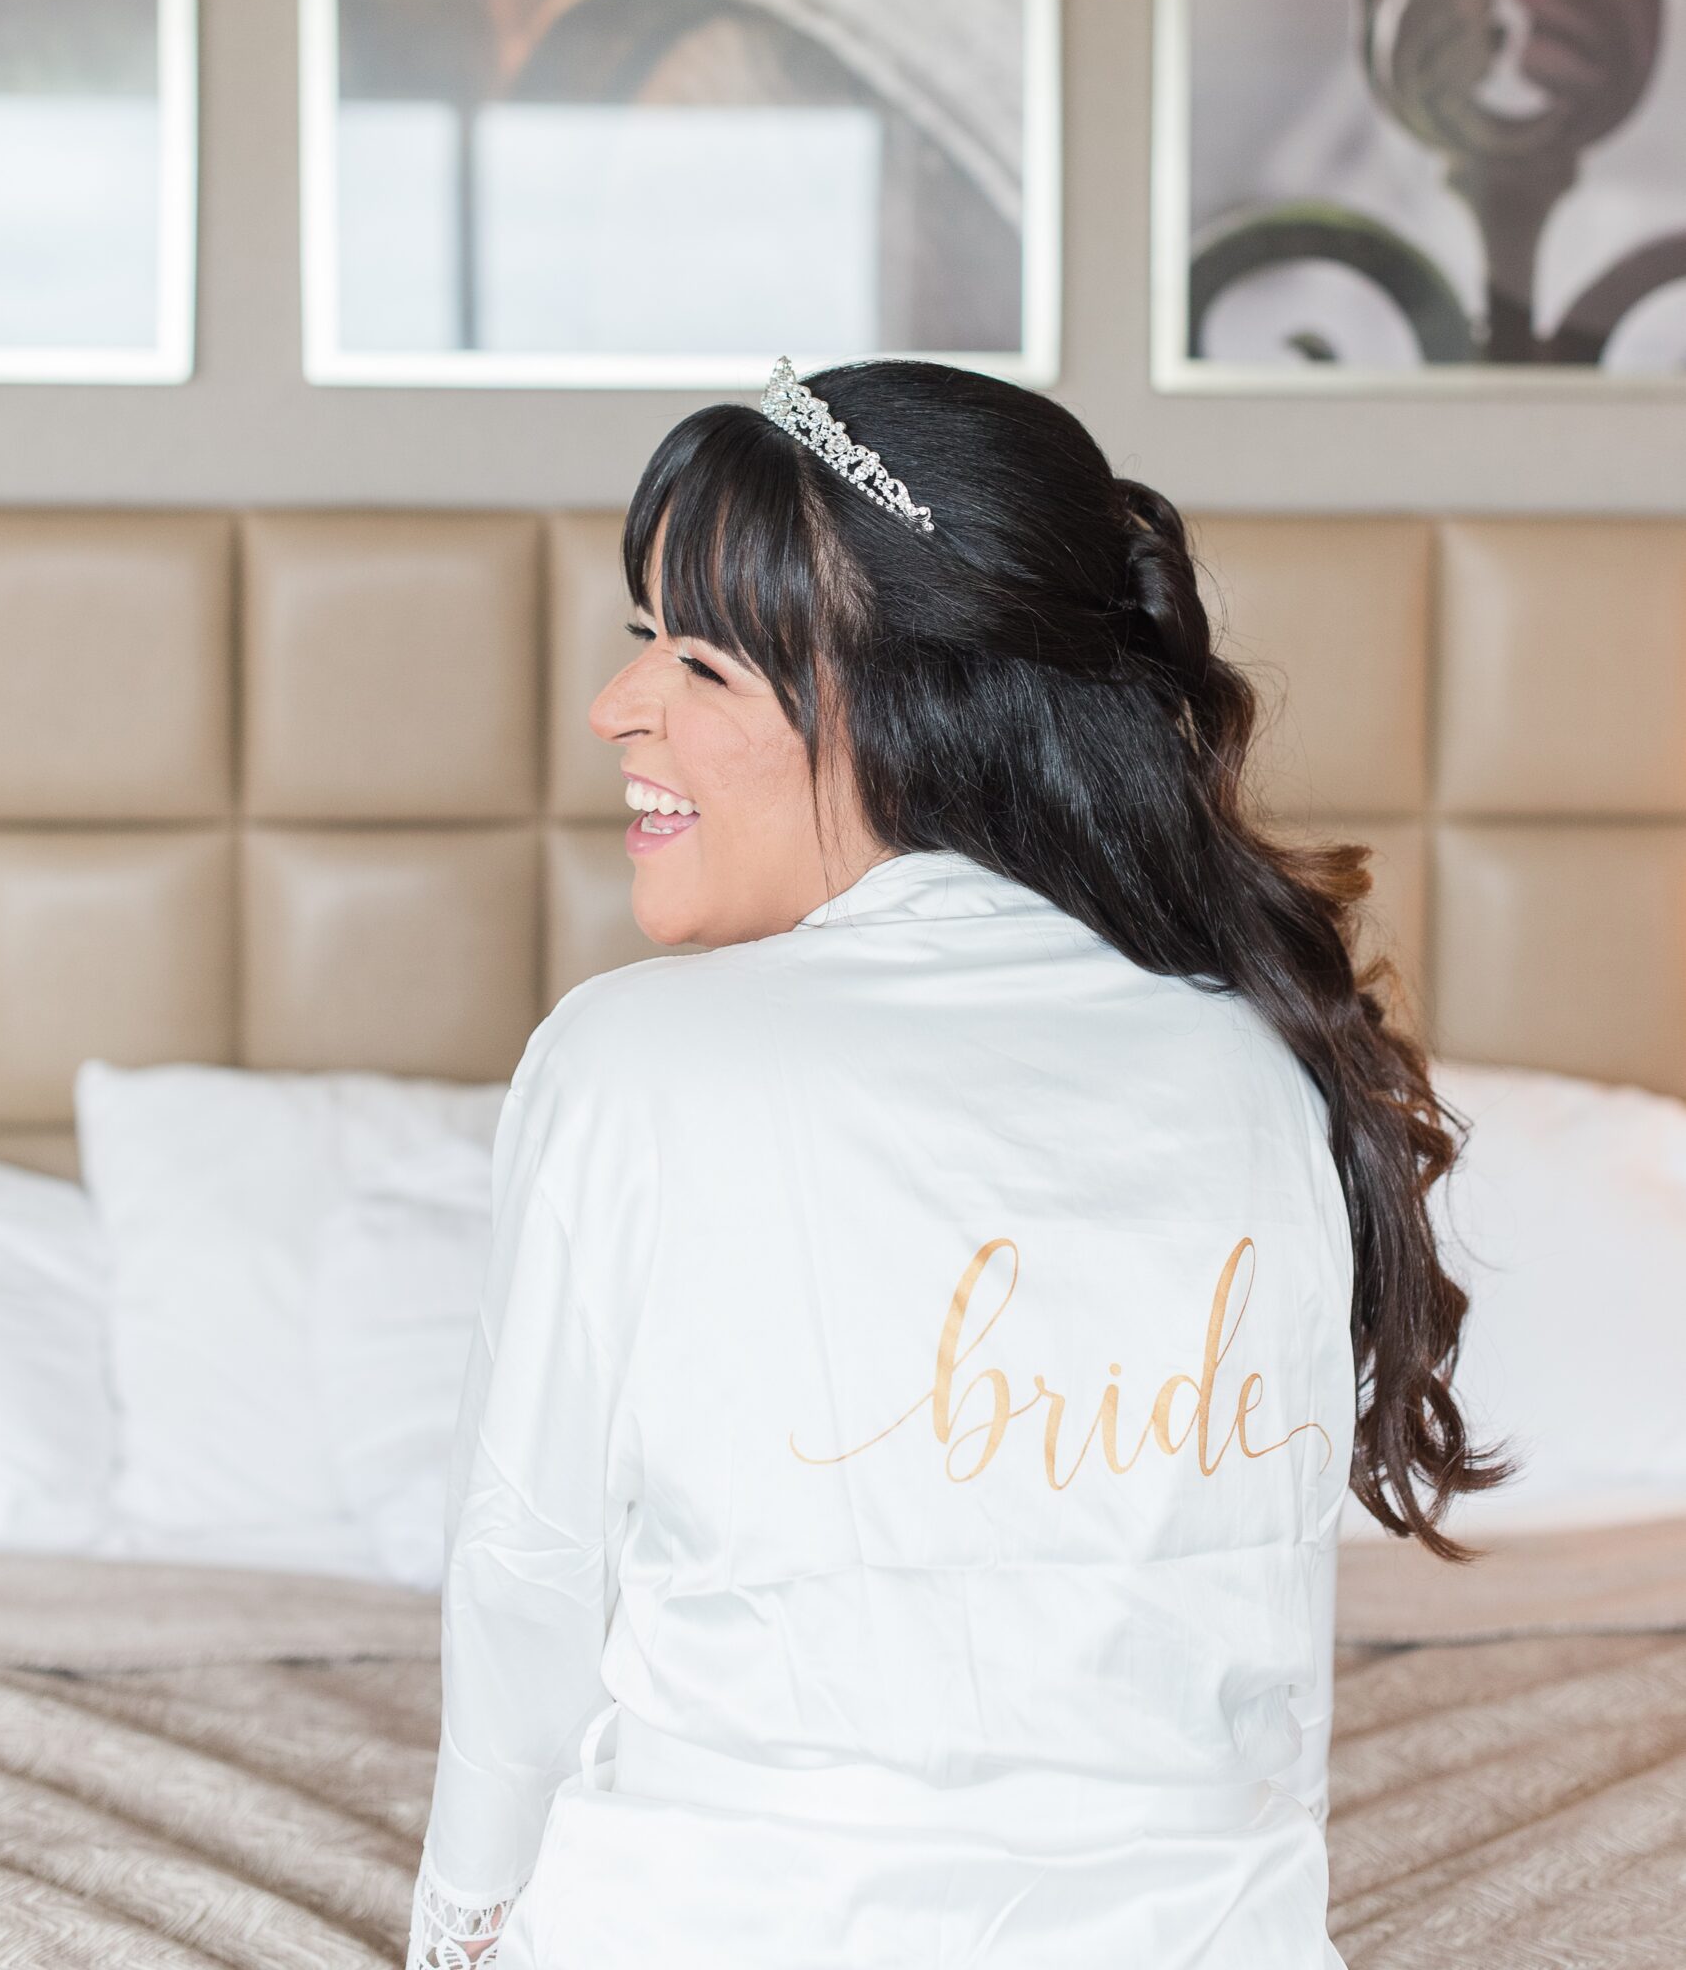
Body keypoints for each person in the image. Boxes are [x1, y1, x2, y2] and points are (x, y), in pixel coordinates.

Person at [405, 357, 1508, 1970]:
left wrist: (462, 1923)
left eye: (701, 663)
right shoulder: (1254, 1058)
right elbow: (1262, 1663)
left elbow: (526, 1574)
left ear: (916, 697)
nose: (616, 708)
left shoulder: (629, 1056)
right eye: (644, 642)